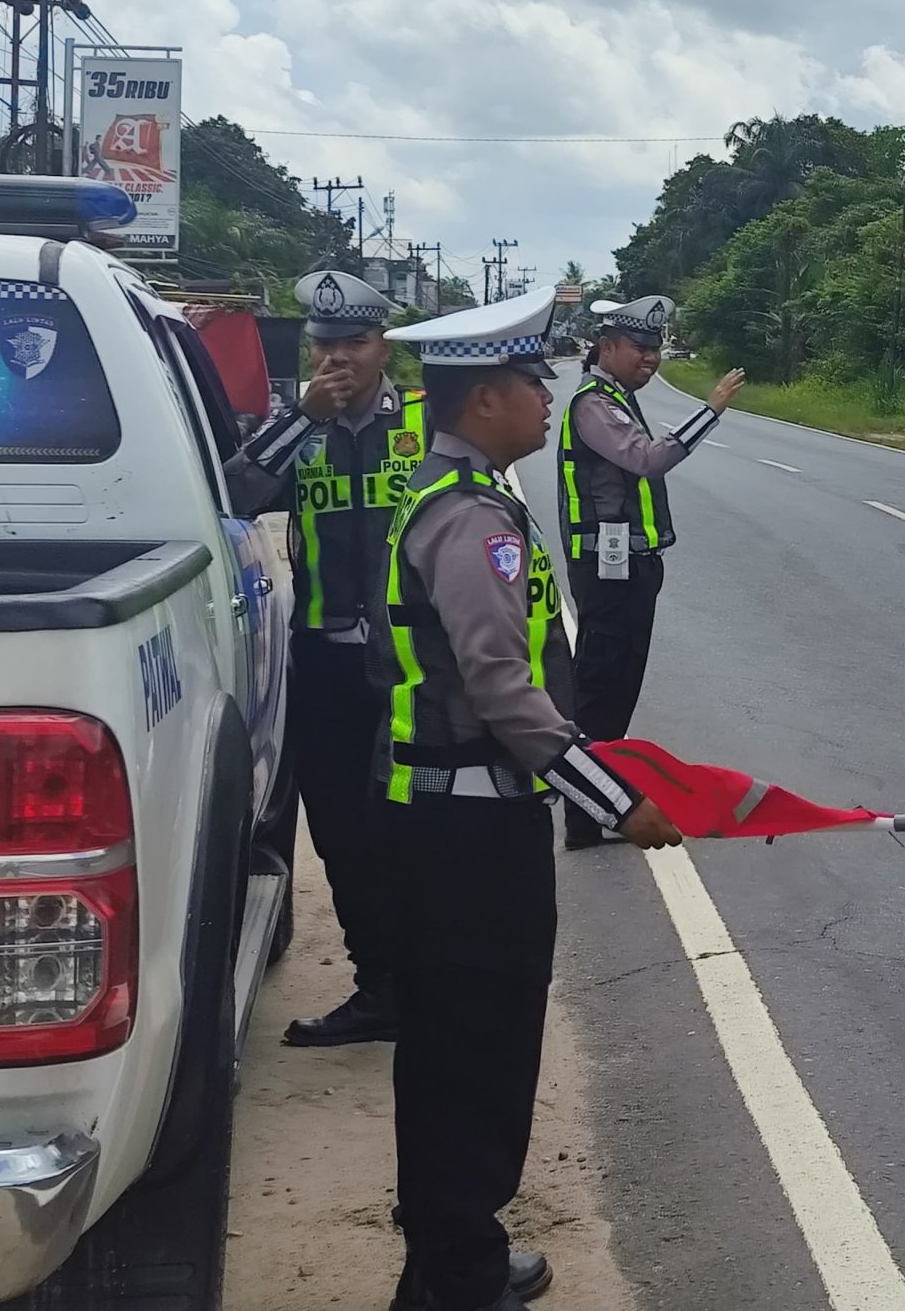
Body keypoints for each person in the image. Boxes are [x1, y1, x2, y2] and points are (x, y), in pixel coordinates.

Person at [376, 288, 683, 1311]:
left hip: (449, 815)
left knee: (455, 1044)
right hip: (470, 825)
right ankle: (455, 1273)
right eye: (532, 384)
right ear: (488, 397)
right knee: (478, 1047)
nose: (546, 401)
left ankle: (446, 1252)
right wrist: (611, 798)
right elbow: (505, 689)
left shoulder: (455, 495)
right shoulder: (472, 522)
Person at [224, 269, 426, 1048]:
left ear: (384, 348)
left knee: (416, 828)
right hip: (327, 665)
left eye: (356, 342)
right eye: (326, 343)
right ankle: (378, 987)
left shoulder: (421, 420)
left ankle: (430, 983)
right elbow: (234, 498)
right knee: (342, 832)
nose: (339, 357)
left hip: (412, 664)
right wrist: (300, 419)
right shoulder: (290, 427)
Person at [553, 294, 743, 850]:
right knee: (601, 690)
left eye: (655, 349)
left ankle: (596, 808)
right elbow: (648, 459)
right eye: (639, 348)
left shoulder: (616, 397)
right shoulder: (595, 404)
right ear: (606, 348)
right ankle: (586, 814)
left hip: (628, 565)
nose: (650, 359)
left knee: (617, 687)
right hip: (609, 570)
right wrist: (709, 411)